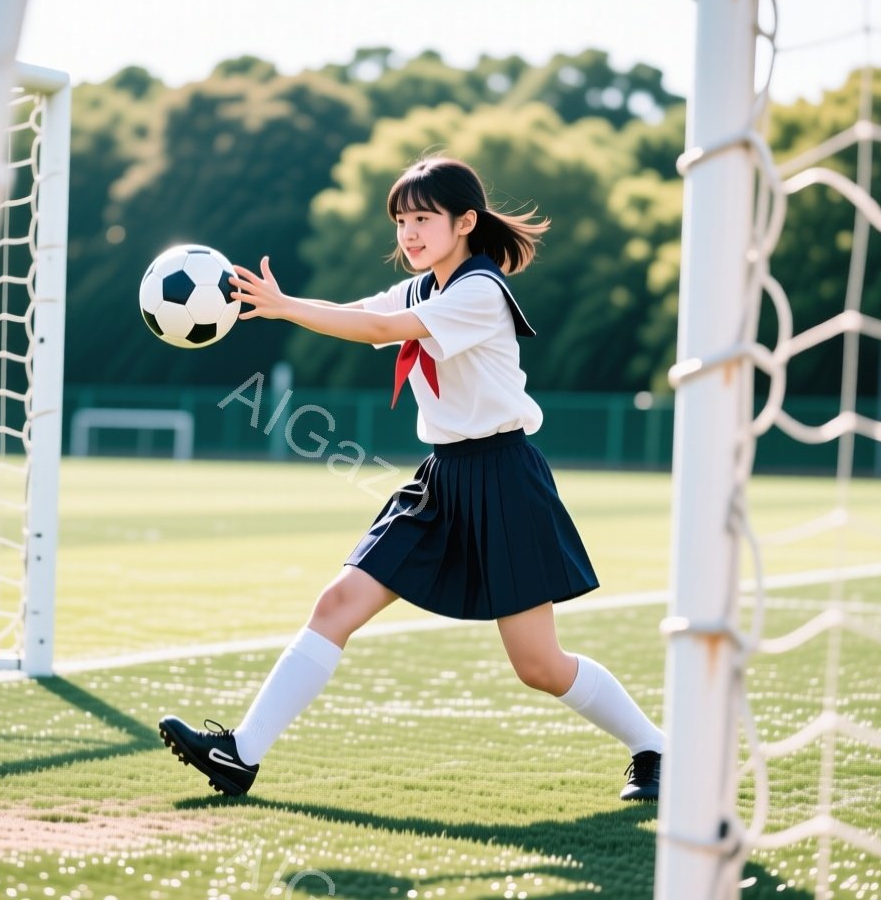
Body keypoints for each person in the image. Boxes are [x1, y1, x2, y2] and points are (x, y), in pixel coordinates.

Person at [158, 156, 665, 802]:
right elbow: (359, 312)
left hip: (505, 478)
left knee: (539, 664)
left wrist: (283, 307)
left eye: (423, 218)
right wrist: (285, 306)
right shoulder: (421, 289)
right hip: (441, 479)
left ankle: (656, 748)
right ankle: (240, 754)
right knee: (337, 604)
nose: (409, 233)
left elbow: (377, 328)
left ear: (465, 222)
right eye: (401, 220)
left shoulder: (480, 292)